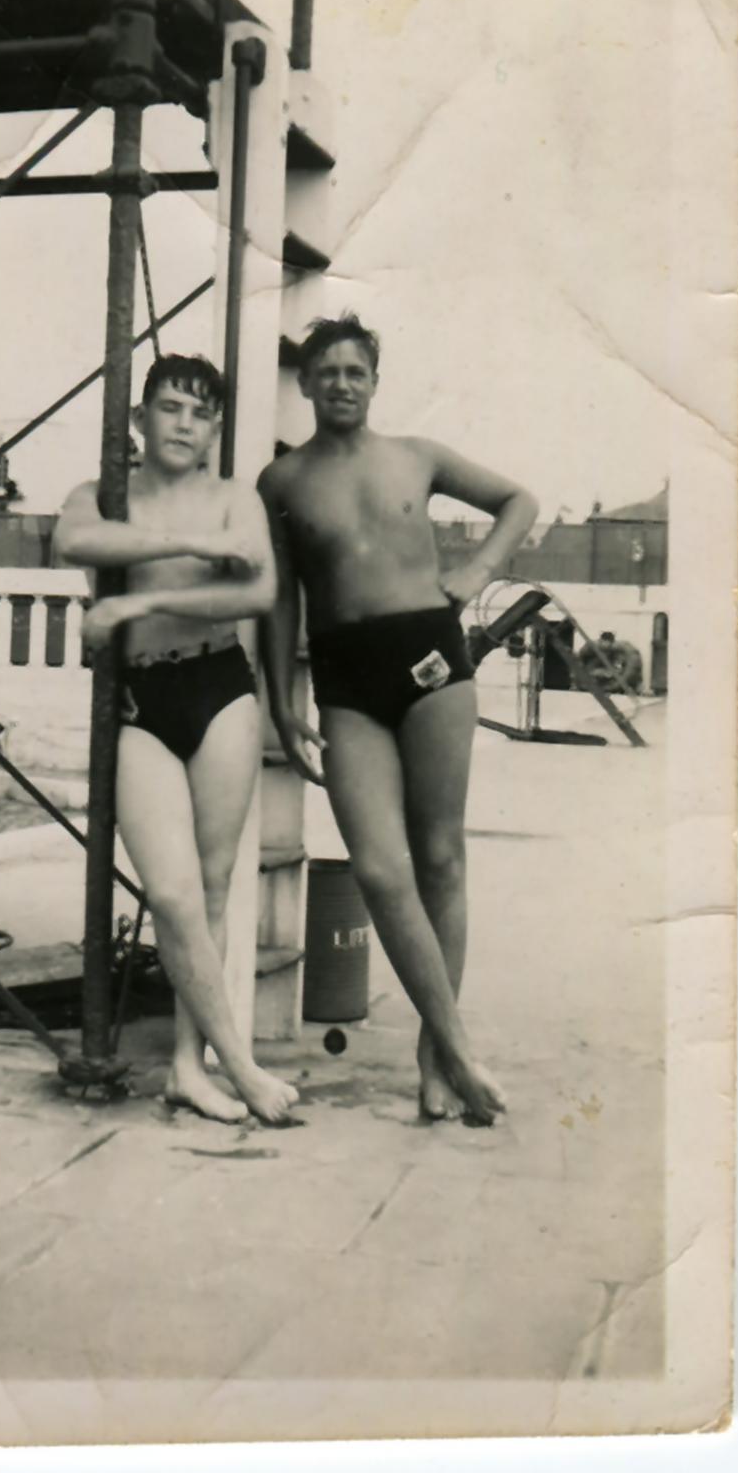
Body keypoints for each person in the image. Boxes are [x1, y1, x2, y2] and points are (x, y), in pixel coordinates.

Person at [258, 314, 538, 1125]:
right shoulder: (282, 484)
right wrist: (284, 697)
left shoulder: (418, 455)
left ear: (375, 382)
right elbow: (281, 600)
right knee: (380, 870)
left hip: (431, 660)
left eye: (356, 370)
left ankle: (434, 1055)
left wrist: (478, 571)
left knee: (441, 856)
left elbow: (519, 500)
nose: (342, 382)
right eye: (326, 371)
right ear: (304, 384)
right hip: (345, 676)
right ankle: (458, 1048)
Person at [55, 355, 298, 1126]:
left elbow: (258, 589)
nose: (184, 424)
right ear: (140, 419)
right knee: (170, 890)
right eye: (169, 408)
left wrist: (129, 609)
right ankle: (242, 1064)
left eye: (199, 413)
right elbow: (76, 542)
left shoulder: (235, 497)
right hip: (138, 702)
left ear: (216, 427)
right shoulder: (98, 496)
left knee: (216, 884)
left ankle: (192, 1067)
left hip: (217, 685)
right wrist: (185, 542)